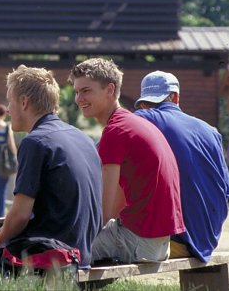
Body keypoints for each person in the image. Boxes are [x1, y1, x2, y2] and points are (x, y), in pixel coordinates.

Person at [0, 65, 102, 269]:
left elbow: (21, 215)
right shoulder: (83, 137)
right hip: (83, 254)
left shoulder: (35, 142)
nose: (8, 109)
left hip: (50, 255)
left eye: (10, 102)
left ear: (24, 102)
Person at [68, 58, 185, 264]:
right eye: (76, 92)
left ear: (110, 90)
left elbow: (102, 211)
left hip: (139, 241)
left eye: (86, 91)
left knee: (61, 250)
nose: (79, 99)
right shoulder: (131, 123)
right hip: (158, 242)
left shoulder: (116, 131)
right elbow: (117, 202)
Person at [133, 70, 229, 262]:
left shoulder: (144, 119)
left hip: (175, 241)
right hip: (208, 239)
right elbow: (227, 190)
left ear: (143, 103)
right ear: (176, 97)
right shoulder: (211, 132)